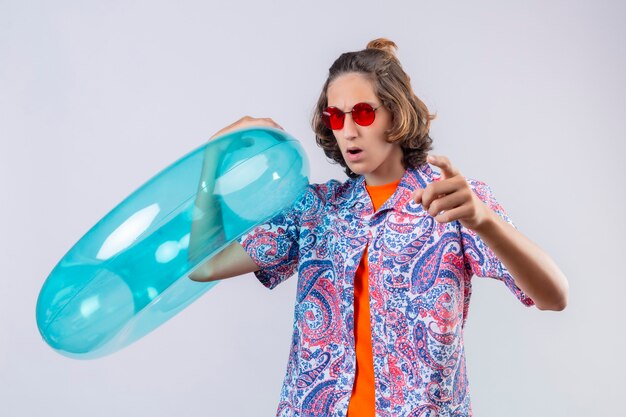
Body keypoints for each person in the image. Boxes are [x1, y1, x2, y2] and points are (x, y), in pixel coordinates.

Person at [188, 38, 569, 417]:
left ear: (396, 113)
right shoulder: (315, 210)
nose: (349, 131)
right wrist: (213, 158)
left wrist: (484, 221)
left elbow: (554, 296)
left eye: (363, 113)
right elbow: (203, 266)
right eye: (336, 117)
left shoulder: (455, 202)